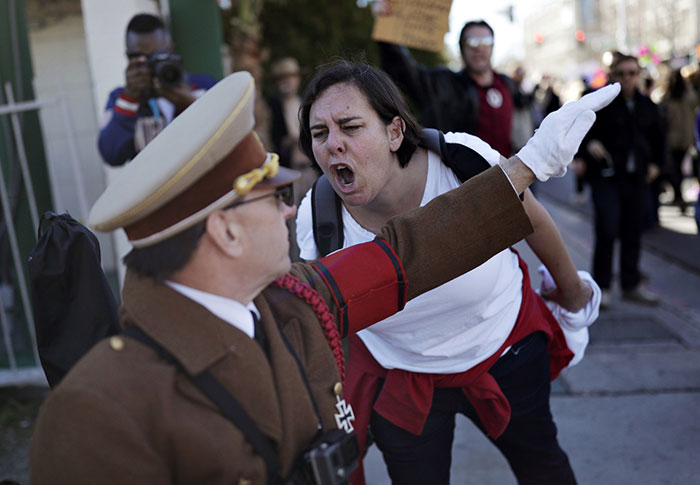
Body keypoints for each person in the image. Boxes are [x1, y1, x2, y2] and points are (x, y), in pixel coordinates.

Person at [28, 65, 617, 484]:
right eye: (271, 198)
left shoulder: (293, 303)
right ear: (226, 232)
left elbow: (410, 252)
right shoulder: (100, 413)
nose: (292, 208)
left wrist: (529, 166)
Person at [295, 60, 611, 485]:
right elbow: (323, 320)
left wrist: (573, 295)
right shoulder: (317, 219)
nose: (333, 144)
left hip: (504, 351)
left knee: (544, 467)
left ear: (394, 132)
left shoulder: (459, 159)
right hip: (403, 379)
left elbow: (531, 219)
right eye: (320, 133)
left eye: (350, 127)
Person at [373, 1, 516, 157]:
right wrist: (386, 25)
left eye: (486, 41)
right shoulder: (444, 85)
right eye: (471, 42)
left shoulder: (507, 84)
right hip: (464, 178)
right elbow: (403, 70)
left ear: (493, 46)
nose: (479, 48)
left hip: (510, 176)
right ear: (461, 48)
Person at [577, 54, 664, 309]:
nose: (627, 78)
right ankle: (601, 287)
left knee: (633, 230)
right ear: (612, 74)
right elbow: (581, 129)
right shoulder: (601, 101)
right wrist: (589, 145)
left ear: (639, 75)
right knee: (607, 228)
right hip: (606, 178)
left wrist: (657, 166)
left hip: (636, 178)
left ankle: (630, 284)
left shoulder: (647, 105)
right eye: (622, 73)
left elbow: (660, 139)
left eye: (632, 73)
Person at [98, 13, 217, 166]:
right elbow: (111, 155)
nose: (152, 64)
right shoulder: (120, 98)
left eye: (159, 56)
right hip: (157, 189)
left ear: (172, 50)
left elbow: (229, 136)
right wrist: (129, 99)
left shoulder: (203, 87)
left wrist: (191, 105)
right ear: (129, 57)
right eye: (141, 58)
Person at [267, 57, 319, 260]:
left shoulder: (306, 104)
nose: (285, 82)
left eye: (289, 77)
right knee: (293, 219)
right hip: (290, 171)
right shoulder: (271, 108)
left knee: (317, 212)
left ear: (297, 79)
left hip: (312, 169)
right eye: (281, 78)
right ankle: (298, 263)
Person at [662, 69, 699, 214]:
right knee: (679, 167)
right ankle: (679, 195)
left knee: (675, 168)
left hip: (673, 139)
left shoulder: (667, 96)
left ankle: (678, 195)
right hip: (685, 138)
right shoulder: (688, 94)